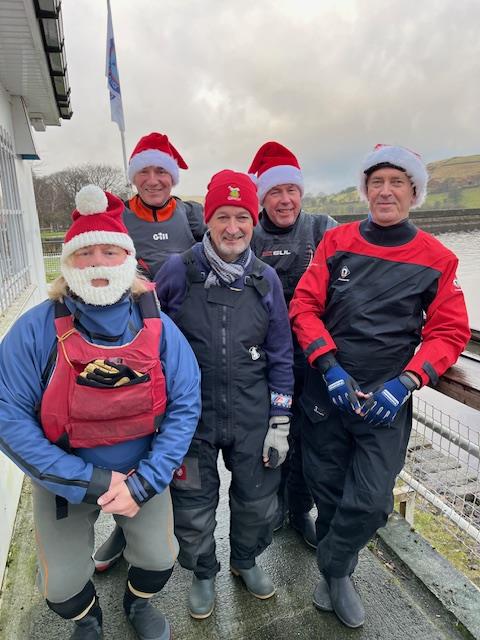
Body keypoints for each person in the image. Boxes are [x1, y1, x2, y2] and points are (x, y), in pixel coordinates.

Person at [0, 185, 201, 640]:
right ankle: (88, 618)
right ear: (68, 263)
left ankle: (136, 601)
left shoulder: (159, 327)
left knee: (159, 560)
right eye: (85, 253)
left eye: (110, 251)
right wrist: (85, 480)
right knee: (61, 587)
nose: (97, 262)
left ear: (127, 260)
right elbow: (7, 416)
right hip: (64, 476)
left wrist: (146, 481)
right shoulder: (35, 331)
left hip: (140, 472)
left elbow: (187, 404)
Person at [289, 144, 470, 628]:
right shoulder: (336, 242)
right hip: (328, 392)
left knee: (371, 500)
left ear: (414, 193)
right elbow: (304, 308)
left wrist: (408, 381)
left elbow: (449, 331)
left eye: (397, 183)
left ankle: (331, 566)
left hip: (385, 400)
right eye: (377, 182)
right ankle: (340, 575)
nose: (385, 191)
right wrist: (328, 367)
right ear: (365, 190)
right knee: (326, 489)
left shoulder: (437, 258)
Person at [154, 170, 294, 619]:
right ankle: (202, 571)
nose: (232, 227)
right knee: (193, 503)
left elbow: (281, 353)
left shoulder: (265, 278)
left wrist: (281, 421)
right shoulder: (178, 271)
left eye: (242, 217)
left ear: (254, 222)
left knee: (257, 497)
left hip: (253, 414)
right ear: (208, 221)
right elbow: (151, 341)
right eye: (222, 217)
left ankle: (245, 560)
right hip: (189, 417)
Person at [249, 141, 337, 549]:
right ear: (262, 197)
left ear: (301, 193)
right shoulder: (249, 235)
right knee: (271, 431)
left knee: (308, 437)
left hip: (316, 356)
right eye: (274, 192)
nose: (285, 200)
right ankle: (274, 507)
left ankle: (300, 508)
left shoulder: (323, 228)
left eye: (291, 191)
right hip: (268, 359)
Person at [123, 131, 205, 279]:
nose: (153, 181)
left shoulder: (192, 214)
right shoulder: (117, 216)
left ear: (172, 178)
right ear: (133, 179)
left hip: (185, 299)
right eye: (143, 172)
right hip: (137, 299)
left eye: (161, 172)